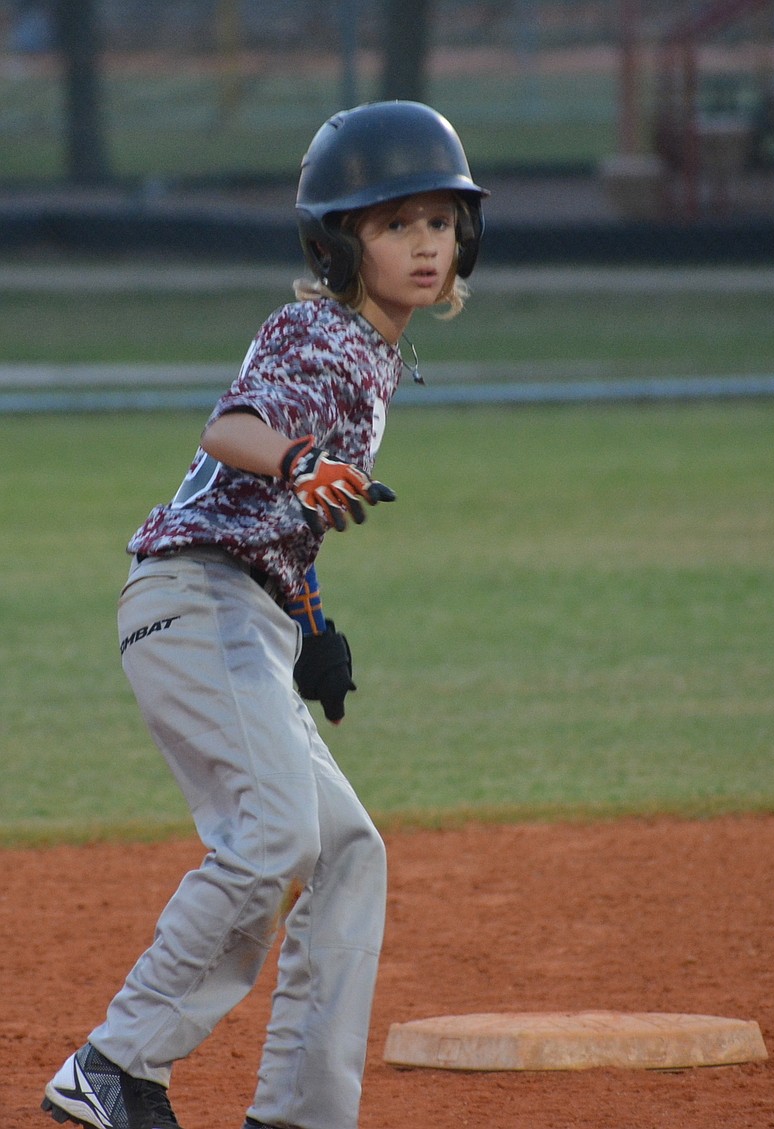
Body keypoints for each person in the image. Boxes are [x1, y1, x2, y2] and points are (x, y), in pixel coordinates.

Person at [41, 100, 487, 1129]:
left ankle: (299, 1114)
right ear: (340, 241)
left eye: (438, 220)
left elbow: (268, 509)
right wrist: (295, 459)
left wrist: (312, 618)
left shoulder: (366, 353)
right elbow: (233, 428)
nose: (425, 244)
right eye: (393, 223)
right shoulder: (319, 334)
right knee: (275, 833)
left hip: (244, 607)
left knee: (346, 850)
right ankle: (113, 1065)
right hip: (194, 600)